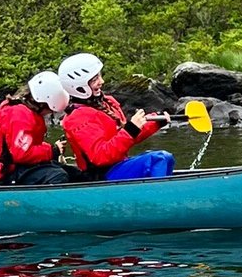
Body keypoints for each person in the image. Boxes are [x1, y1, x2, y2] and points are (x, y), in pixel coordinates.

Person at [57, 52, 175, 181]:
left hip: (119, 166)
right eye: (94, 79)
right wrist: (131, 129)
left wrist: (156, 121)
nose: (101, 81)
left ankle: (158, 191)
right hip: (101, 175)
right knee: (159, 159)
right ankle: (158, 196)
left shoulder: (107, 103)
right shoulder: (78, 117)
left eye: (99, 76)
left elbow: (127, 138)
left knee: (166, 159)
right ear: (78, 86)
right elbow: (100, 156)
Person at [0, 71, 76, 185]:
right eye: (49, 110)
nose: (48, 113)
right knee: (58, 176)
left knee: (74, 173)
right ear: (43, 103)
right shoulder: (19, 115)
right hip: (10, 172)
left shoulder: (25, 111)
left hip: (20, 167)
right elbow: (21, 154)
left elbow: (26, 144)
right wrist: (52, 151)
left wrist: (53, 149)